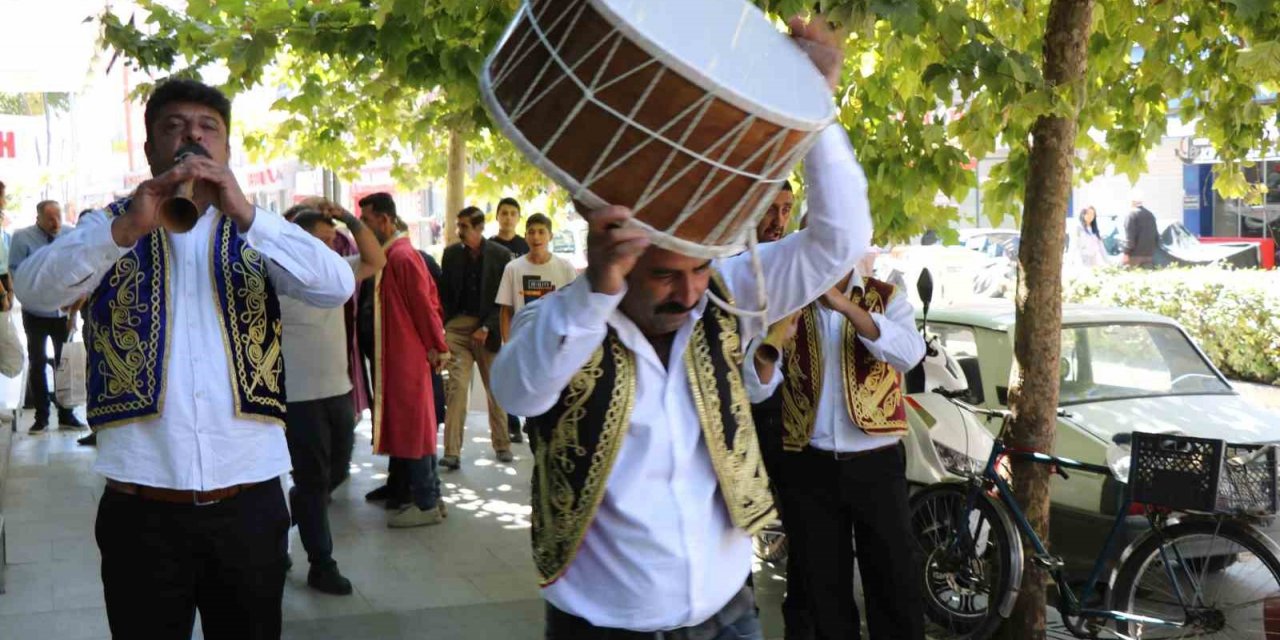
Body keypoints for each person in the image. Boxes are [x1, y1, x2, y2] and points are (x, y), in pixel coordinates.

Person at [491, 17, 867, 638]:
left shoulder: (725, 294)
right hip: (603, 626)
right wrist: (595, 294)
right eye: (666, 276)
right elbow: (517, 391)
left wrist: (815, 110)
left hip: (730, 613)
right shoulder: (563, 317)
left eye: (699, 269)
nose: (690, 291)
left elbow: (840, 241)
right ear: (624, 259)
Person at [13, 78, 354, 640]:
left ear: (226, 149)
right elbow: (35, 291)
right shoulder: (109, 225)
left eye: (207, 129)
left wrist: (246, 211)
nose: (192, 139)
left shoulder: (259, 231)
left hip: (250, 503)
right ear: (150, 150)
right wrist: (126, 229)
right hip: (140, 508)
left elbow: (335, 285)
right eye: (174, 128)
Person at [751, 262, 926, 640]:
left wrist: (846, 306)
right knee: (822, 593)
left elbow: (910, 354)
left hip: (877, 466)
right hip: (809, 467)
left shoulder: (886, 296)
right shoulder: (787, 300)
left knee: (895, 584)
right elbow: (756, 389)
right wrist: (770, 347)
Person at [278, 205, 386, 593]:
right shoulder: (277, 275)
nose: (328, 247)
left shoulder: (340, 273)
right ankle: (321, 563)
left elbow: (377, 257)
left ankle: (276, 527)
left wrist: (349, 218)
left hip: (339, 392)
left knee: (333, 476)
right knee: (312, 481)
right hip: (299, 398)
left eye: (331, 240)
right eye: (319, 241)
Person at [358, 192, 451, 527]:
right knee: (419, 428)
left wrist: (438, 346)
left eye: (366, 221)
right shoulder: (397, 254)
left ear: (384, 220)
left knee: (415, 429)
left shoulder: (400, 256)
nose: (365, 229)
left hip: (407, 358)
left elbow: (425, 307)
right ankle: (432, 499)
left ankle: (425, 503)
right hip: (403, 355)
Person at [439, 206, 513, 469]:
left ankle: (502, 444)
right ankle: (451, 452)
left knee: (495, 387)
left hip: (486, 330)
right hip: (458, 330)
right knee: (456, 389)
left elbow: (505, 298)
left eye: (465, 227)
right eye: (459, 226)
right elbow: (444, 294)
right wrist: (444, 327)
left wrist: (489, 327)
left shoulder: (500, 256)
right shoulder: (450, 255)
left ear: (480, 228)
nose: (459, 231)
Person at [10, 199, 87, 433]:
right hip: (35, 312)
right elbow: (16, 271)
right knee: (37, 361)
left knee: (65, 363)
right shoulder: (22, 238)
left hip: (63, 312)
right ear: (39, 219)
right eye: (50, 218)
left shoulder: (70, 235)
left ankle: (66, 414)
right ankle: (41, 417)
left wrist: (74, 311)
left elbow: (80, 269)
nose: (56, 223)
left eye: (58, 217)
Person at [495, 213, 578, 343]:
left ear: (550, 236)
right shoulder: (512, 268)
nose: (536, 237)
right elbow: (505, 311)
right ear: (525, 236)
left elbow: (574, 309)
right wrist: (507, 345)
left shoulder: (565, 268)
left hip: (554, 344)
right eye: (531, 232)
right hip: (522, 343)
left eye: (541, 232)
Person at [489, 196, 530, 443]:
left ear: (518, 217)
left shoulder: (526, 245)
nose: (508, 217)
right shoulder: (490, 245)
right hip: (497, 314)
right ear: (497, 216)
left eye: (513, 213)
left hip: (523, 312)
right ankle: (511, 422)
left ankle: (531, 418)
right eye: (503, 212)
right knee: (505, 368)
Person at [1121, 191, 1158, 268]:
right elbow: (1156, 236)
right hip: (1149, 256)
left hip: (1134, 257)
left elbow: (1130, 238)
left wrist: (1126, 253)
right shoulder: (1150, 215)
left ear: (1132, 201)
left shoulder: (1131, 215)